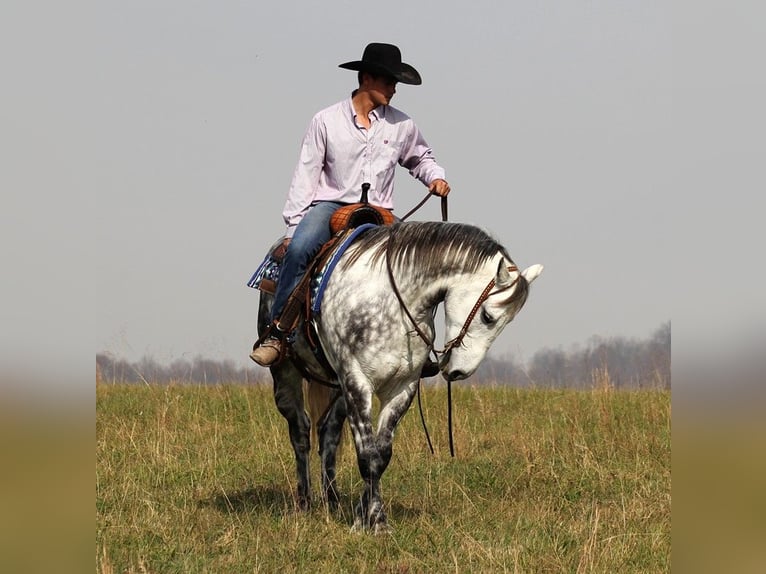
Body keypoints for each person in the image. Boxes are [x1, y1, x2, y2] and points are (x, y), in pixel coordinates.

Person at [250, 42, 451, 367]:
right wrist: (293, 225)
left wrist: (435, 178)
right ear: (367, 79)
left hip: (381, 214)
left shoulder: (402, 125)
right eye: (389, 82)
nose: (394, 90)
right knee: (300, 249)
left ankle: (419, 342)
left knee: (422, 260)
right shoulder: (325, 121)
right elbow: (306, 174)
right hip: (331, 207)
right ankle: (279, 332)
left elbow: (421, 157)